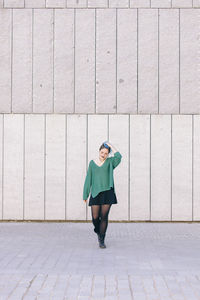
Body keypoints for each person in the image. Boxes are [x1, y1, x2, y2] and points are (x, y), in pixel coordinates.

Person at [83, 141, 122, 249]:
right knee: (95, 217)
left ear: (108, 154)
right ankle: (97, 229)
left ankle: (102, 239)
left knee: (104, 217)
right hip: (96, 192)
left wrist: (111, 145)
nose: (103, 155)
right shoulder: (92, 163)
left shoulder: (110, 162)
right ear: (99, 151)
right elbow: (88, 179)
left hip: (107, 192)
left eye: (106, 153)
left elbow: (119, 156)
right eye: (102, 152)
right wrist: (85, 194)